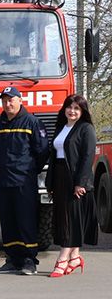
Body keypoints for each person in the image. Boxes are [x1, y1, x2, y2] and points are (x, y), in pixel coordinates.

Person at [0, 86, 48, 275]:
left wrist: (28, 171)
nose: (7, 103)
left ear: (20, 100)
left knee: (26, 221)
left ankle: (29, 260)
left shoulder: (32, 122)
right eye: (4, 100)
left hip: (23, 182)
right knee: (8, 222)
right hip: (4, 183)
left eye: (11, 99)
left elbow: (42, 152)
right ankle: (12, 259)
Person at [45, 94, 98, 278]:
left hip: (75, 179)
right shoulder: (61, 128)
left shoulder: (86, 128)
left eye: (77, 108)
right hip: (59, 177)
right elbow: (54, 156)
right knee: (66, 219)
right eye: (69, 107)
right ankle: (74, 257)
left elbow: (88, 157)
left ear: (82, 111)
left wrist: (80, 183)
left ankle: (62, 259)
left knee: (69, 220)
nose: (72, 111)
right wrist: (50, 182)